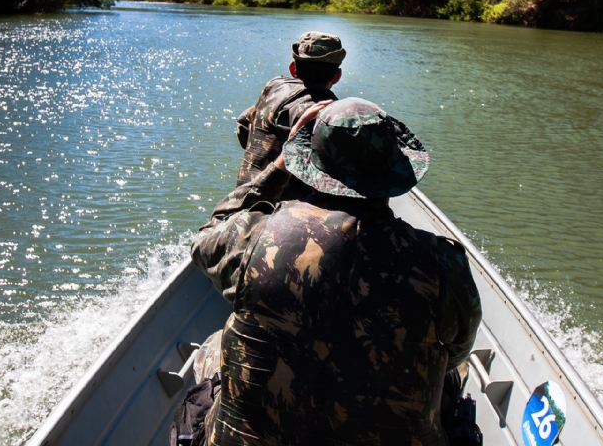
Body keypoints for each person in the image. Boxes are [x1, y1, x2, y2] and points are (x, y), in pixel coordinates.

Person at [192, 97, 482, 446]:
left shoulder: (255, 239)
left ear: (310, 165)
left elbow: (208, 236)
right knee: (454, 373)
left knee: (213, 347)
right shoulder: (444, 266)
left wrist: (278, 166)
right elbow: (457, 353)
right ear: (394, 171)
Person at [235, 31, 345, 200]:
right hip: (282, 212)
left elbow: (243, 126)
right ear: (337, 76)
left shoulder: (275, 86)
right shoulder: (321, 112)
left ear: (293, 69)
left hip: (241, 197)